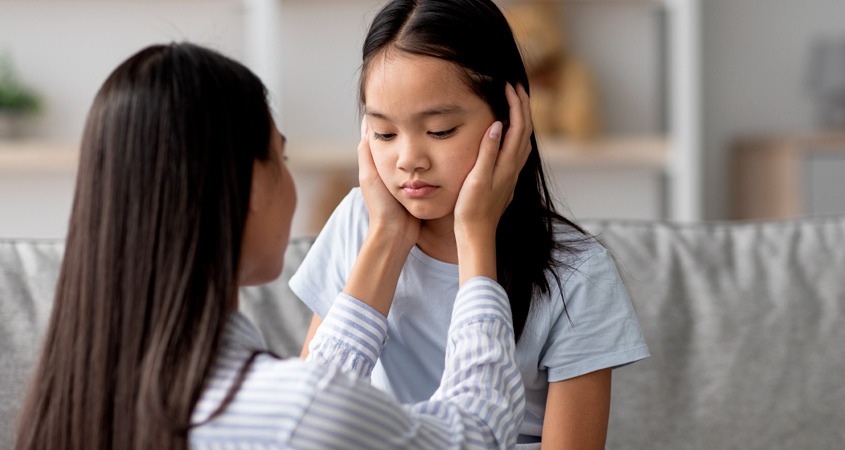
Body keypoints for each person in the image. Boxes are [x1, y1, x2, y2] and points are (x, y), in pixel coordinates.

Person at [15, 42, 530, 449]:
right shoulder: (293, 409)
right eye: (279, 158)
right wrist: (478, 239)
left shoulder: (75, 395)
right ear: (251, 186)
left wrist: (389, 233)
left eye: (440, 130)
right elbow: (477, 435)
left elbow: (318, 404)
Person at [290, 0, 650, 448]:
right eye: (384, 133)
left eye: (439, 131)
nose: (408, 160)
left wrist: (476, 235)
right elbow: (307, 423)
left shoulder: (579, 273)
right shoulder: (354, 224)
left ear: (511, 118)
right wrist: (385, 238)